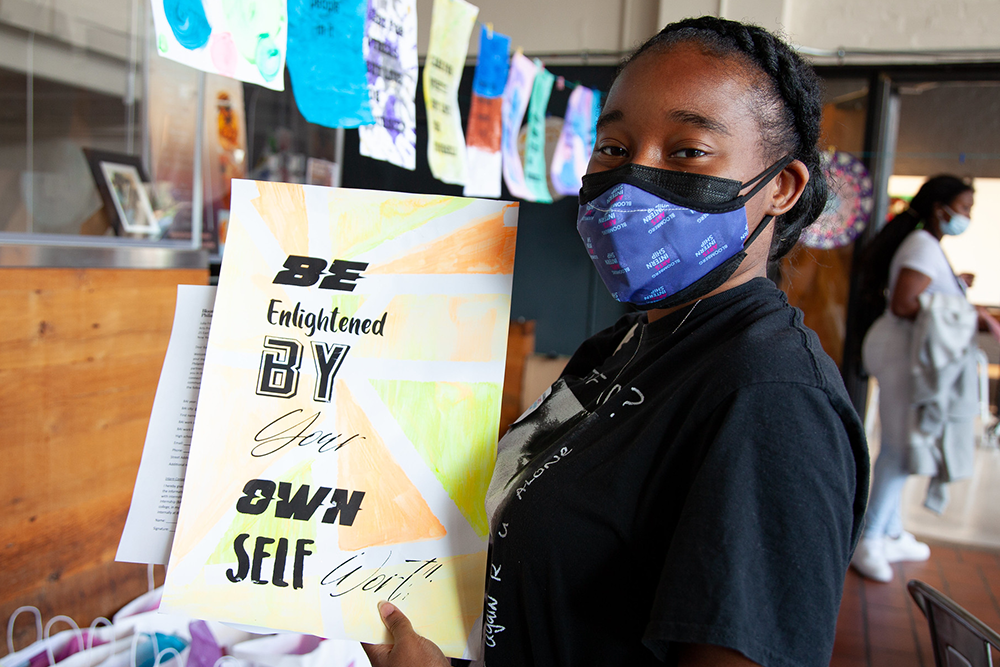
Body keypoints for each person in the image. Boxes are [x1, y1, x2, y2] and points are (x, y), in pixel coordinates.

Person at [363, 16, 869, 667]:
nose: (632, 180)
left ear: (781, 187)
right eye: (614, 148)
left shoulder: (773, 403)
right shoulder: (620, 346)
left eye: (686, 151)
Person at [852, 175, 994, 583]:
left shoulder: (927, 246)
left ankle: (891, 531)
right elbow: (905, 302)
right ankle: (870, 539)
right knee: (900, 448)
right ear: (940, 208)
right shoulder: (921, 245)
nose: (967, 216)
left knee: (902, 446)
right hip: (903, 360)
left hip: (905, 358)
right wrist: (971, 314)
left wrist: (957, 289)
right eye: (965, 208)